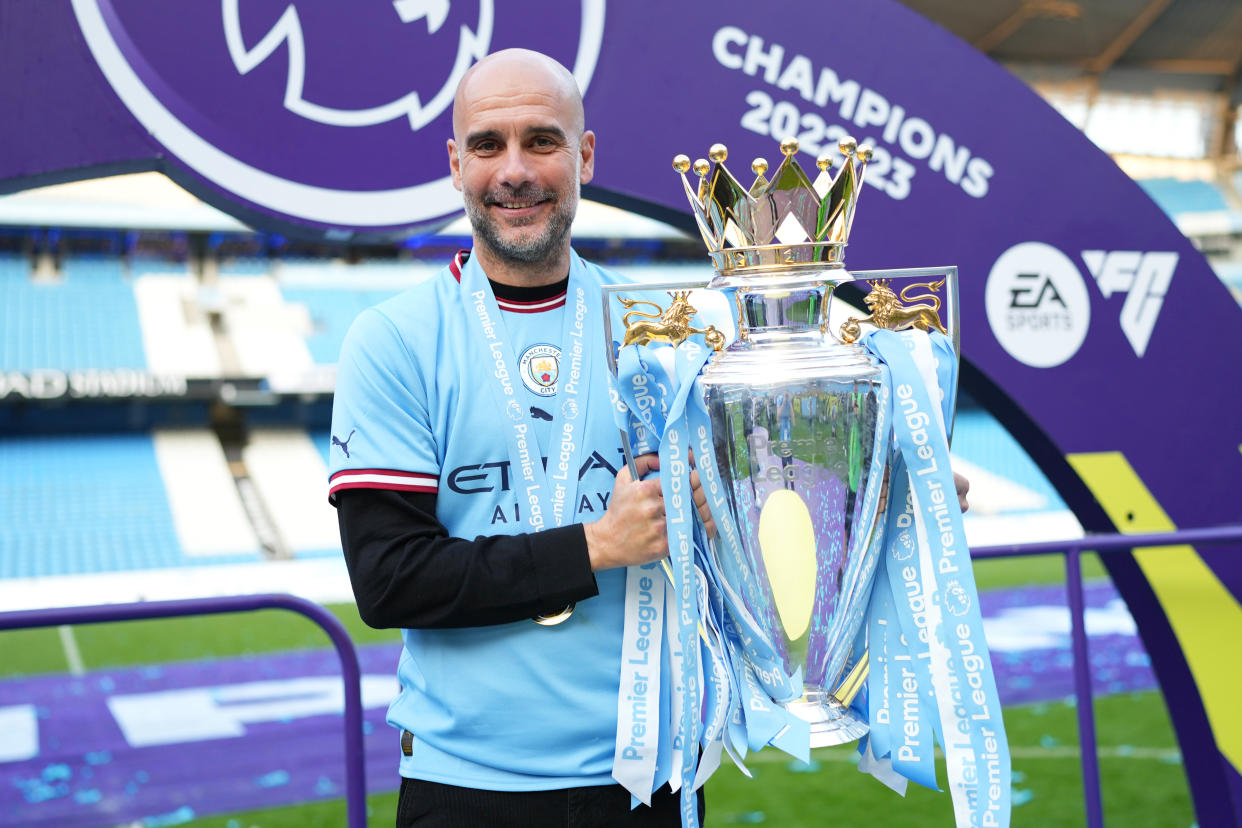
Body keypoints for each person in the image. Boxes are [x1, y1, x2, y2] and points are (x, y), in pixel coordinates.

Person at [328, 47, 970, 828]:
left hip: (650, 780)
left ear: (585, 157)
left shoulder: (670, 334)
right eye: (489, 145)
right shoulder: (393, 338)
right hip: (470, 789)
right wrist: (595, 545)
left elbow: (756, 510)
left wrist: (881, 489)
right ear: (455, 163)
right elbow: (391, 581)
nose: (516, 170)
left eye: (543, 140)